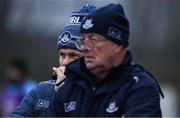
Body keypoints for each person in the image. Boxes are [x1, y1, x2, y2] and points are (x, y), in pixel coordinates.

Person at [54, 3, 164, 117]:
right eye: (82, 40)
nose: (84, 48)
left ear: (117, 45)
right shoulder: (69, 87)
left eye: (93, 40)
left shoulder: (140, 87)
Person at [11, 4, 96, 117]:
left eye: (73, 55)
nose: (65, 62)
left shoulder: (102, 95)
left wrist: (63, 95)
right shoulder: (41, 91)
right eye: (62, 55)